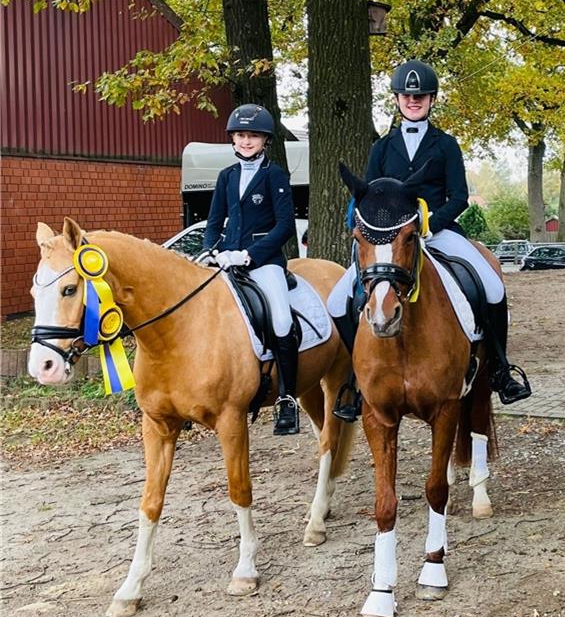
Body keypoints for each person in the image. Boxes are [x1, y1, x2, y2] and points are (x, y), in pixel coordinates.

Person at [327, 59, 532, 421]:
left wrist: (428, 224)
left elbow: (459, 197)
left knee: (491, 286)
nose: (413, 101)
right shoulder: (382, 148)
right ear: (396, 100)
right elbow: (369, 196)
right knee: (337, 299)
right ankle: (354, 381)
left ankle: (500, 368)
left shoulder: (446, 145)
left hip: (437, 232)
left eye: (419, 96)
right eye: (406, 96)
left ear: (432, 99)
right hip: (389, 242)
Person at [202, 103, 300, 436]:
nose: (246, 141)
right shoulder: (226, 176)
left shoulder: (275, 175)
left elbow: (285, 225)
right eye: (241, 135)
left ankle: (287, 397)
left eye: (253, 136)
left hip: (264, 261)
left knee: (282, 319)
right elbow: (213, 222)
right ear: (233, 138)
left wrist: (250, 255)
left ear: (264, 140)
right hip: (227, 260)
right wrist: (211, 251)